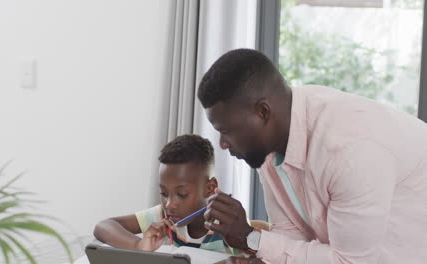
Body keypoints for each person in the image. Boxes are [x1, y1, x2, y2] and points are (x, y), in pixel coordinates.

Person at [197, 48, 427, 263]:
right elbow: (290, 235)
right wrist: (252, 246)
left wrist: (251, 238)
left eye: (227, 131)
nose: (223, 144)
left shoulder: (348, 152)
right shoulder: (269, 144)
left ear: (263, 112)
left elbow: (348, 261)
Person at [93, 134, 238, 254]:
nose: (169, 204)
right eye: (164, 193)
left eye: (181, 194)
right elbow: (103, 226)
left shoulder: (229, 224)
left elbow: (256, 253)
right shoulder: (164, 216)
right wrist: (139, 245)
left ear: (210, 188)